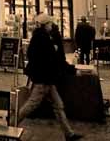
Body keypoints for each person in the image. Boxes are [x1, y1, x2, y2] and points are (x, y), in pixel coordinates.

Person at [17, 13, 82, 141]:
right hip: (44, 79)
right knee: (32, 105)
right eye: (50, 23)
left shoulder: (38, 37)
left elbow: (32, 55)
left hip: (46, 78)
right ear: (45, 24)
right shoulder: (44, 39)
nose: (51, 25)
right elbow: (54, 59)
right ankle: (11, 123)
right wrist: (72, 69)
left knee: (58, 106)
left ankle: (69, 133)